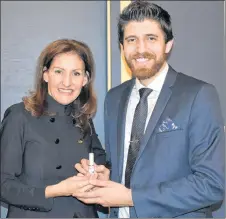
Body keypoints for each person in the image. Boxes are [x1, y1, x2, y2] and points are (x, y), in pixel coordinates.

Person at [75, 1, 225, 218]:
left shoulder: (199, 95)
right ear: (122, 47)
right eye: (131, 40)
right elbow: (129, 166)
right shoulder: (114, 98)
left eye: (151, 38)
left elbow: (210, 185)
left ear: (168, 44)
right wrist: (107, 176)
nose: (141, 49)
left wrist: (131, 196)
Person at [0, 39, 106, 218]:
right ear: (45, 74)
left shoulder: (83, 117)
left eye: (76, 73)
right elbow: (3, 186)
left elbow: (100, 158)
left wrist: (100, 171)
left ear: (85, 79)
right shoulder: (19, 116)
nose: (67, 82)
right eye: (59, 72)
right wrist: (54, 191)